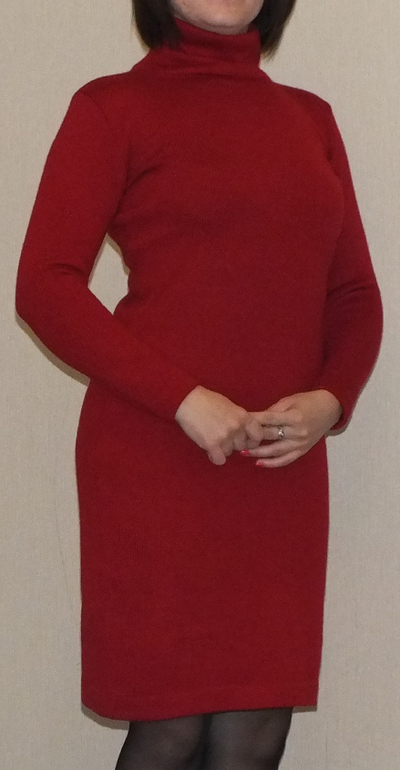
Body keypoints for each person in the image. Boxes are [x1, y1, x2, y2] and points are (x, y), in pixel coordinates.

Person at [15, 0, 383, 768]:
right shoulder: (112, 108)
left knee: (255, 735)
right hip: (156, 459)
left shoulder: (310, 119)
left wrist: (330, 400)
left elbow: (353, 295)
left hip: (278, 471)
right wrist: (183, 398)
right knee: (171, 729)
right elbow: (44, 285)